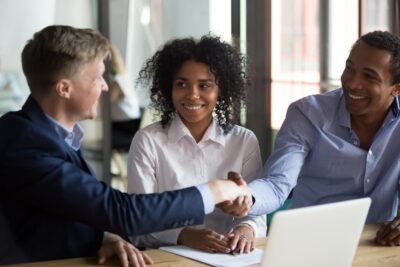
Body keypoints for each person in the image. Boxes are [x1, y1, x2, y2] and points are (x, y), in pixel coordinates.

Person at [0, 25, 252, 266]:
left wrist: (104, 238)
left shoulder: (51, 134)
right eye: (97, 77)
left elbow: (68, 207)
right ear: (64, 88)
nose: (105, 86)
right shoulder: (26, 144)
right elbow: (124, 213)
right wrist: (216, 191)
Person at [220, 31, 400, 246]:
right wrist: (247, 196)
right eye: (349, 68)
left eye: (369, 76)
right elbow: (277, 184)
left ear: (396, 89)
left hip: (376, 246)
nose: (352, 83)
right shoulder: (307, 114)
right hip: (308, 244)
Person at [127, 35, 266, 255]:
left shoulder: (244, 140)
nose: (193, 95)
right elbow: (137, 223)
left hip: (229, 257)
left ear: (221, 90)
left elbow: (257, 210)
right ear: (168, 88)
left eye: (204, 85)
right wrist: (184, 235)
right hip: (169, 257)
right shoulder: (148, 141)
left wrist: (246, 228)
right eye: (182, 84)